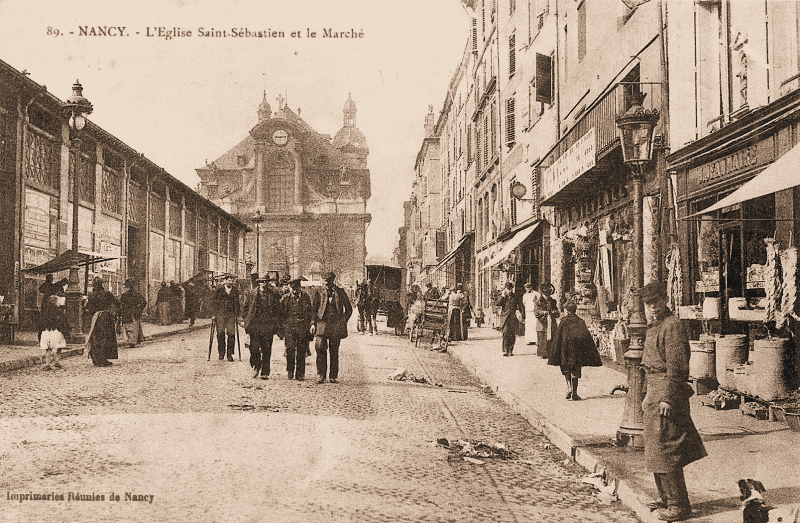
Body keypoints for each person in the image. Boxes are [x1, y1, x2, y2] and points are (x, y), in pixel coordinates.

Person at [639, 281, 707, 522]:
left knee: (667, 449)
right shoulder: (656, 326)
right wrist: (648, 394)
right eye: (648, 304)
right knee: (655, 450)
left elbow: (677, 367)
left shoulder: (673, 326)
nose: (652, 308)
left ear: (664, 300)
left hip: (668, 393)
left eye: (656, 302)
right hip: (655, 392)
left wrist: (668, 397)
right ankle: (666, 497)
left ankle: (679, 505)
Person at [547, 301, 602, 400]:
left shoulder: (564, 321)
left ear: (567, 311)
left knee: (566, 368)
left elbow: (558, 336)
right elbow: (586, 336)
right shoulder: (580, 321)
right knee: (576, 371)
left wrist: (555, 349)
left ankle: (569, 388)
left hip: (565, 350)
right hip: (576, 350)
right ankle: (575, 393)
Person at [311, 272, 352, 384]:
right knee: (320, 349)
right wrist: (313, 324)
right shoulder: (319, 292)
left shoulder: (340, 292)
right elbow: (314, 310)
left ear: (333, 281)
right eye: (325, 281)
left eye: (329, 281)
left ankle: (333, 376)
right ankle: (320, 375)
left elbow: (349, 309)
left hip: (335, 326)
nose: (327, 284)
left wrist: (343, 321)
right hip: (321, 325)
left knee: (334, 351)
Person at [242, 274, 283, 379]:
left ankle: (265, 372)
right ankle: (256, 365)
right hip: (255, 325)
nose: (263, 284)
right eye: (261, 281)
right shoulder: (252, 293)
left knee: (266, 349)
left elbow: (278, 309)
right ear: (259, 282)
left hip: (268, 325)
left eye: (265, 282)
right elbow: (246, 307)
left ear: (268, 282)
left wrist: (276, 322)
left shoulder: (273, 293)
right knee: (254, 348)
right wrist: (245, 319)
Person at [281, 277, 312, 381]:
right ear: (290, 288)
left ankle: (300, 373)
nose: (294, 291)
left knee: (301, 350)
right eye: (292, 289)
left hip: (302, 327)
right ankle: (290, 370)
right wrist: (282, 328)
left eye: (296, 288)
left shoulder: (306, 297)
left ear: (300, 287)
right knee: (290, 350)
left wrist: (309, 325)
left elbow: (310, 312)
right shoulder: (285, 298)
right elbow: (281, 314)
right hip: (289, 328)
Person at [85, 277, 120, 367]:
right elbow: (117, 303)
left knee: (95, 338)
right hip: (106, 317)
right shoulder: (107, 293)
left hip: (95, 318)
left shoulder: (91, 295)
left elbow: (89, 308)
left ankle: (96, 358)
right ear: (102, 284)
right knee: (106, 337)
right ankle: (104, 359)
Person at [212, 275, 241, 362]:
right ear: (225, 281)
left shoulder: (235, 290)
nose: (231, 282)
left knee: (231, 335)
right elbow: (214, 302)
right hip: (220, 315)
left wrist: (238, 315)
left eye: (232, 281)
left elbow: (238, 303)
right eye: (229, 280)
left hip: (231, 316)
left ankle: (229, 354)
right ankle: (221, 353)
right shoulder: (219, 290)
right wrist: (213, 314)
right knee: (220, 334)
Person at [38, 294, 69, 371]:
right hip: (56, 331)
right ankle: (56, 361)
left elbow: (41, 322)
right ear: (56, 302)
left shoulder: (45, 311)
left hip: (46, 332)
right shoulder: (59, 311)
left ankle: (47, 363)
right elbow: (63, 322)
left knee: (48, 349)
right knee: (58, 348)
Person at [496, 281, 524, 356]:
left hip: (513, 317)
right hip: (505, 317)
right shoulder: (503, 296)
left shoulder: (515, 296)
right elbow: (498, 303)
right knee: (505, 333)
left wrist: (521, 314)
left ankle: (511, 350)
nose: (508, 290)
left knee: (512, 334)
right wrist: (502, 296)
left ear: (512, 289)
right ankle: (505, 350)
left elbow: (521, 306)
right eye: (507, 288)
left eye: (510, 288)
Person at [119, 279, 147, 348]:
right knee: (135, 326)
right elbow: (144, 302)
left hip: (126, 313)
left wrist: (120, 313)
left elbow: (120, 305)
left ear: (127, 287)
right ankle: (135, 340)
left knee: (128, 327)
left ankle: (132, 341)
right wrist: (140, 309)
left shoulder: (124, 296)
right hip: (135, 312)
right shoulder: (137, 294)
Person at [534, 283, 559, 359]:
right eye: (545, 295)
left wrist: (554, 312)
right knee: (542, 338)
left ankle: (551, 353)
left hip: (551, 321)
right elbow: (536, 312)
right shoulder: (538, 302)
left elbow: (556, 311)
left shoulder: (553, 301)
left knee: (552, 337)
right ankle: (542, 353)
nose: (547, 296)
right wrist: (544, 312)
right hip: (542, 322)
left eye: (548, 295)